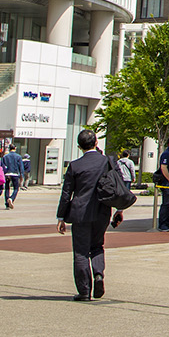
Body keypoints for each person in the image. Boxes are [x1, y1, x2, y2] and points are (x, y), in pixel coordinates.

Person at [57, 129, 123, 301]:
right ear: (96, 143)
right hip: (102, 211)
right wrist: (119, 210)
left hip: (80, 212)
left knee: (80, 252)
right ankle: (99, 274)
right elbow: (118, 186)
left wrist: (61, 217)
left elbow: (66, 194)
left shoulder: (75, 165)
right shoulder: (107, 162)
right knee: (97, 245)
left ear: (79, 146)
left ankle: (84, 291)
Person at [0, 145, 21, 209]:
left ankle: (7, 204)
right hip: (15, 174)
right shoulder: (18, 156)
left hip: (7, 174)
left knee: (7, 188)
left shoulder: (5, 157)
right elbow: (21, 167)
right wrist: (21, 174)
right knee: (16, 188)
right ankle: (11, 198)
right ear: (15, 148)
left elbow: (2, 166)